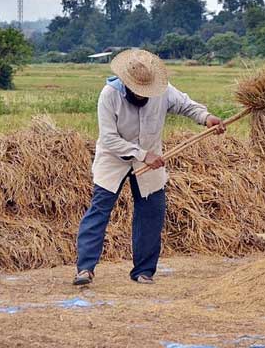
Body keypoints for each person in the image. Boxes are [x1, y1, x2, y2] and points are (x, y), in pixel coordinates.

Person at [73, 49, 225, 286]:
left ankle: (144, 271)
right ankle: (85, 268)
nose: (143, 96)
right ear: (127, 84)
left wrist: (206, 117)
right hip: (114, 158)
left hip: (151, 156)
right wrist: (143, 155)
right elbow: (110, 138)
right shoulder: (109, 95)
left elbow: (186, 105)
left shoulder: (162, 90)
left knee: (151, 212)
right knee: (100, 209)